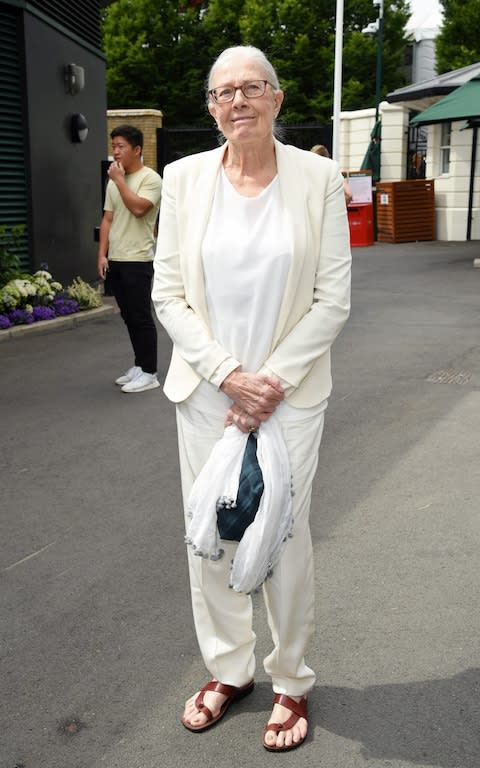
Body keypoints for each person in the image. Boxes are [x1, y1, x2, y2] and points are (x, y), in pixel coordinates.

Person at [152, 46, 351, 751]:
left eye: (252, 88)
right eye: (223, 92)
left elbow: (333, 299)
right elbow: (167, 293)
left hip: (289, 398)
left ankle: (291, 679)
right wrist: (228, 373)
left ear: (278, 98)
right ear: (210, 107)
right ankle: (229, 669)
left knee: (283, 537)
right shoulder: (182, 178)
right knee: (210, 534)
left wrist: (269, 383)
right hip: (209, 393)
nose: (238, 101)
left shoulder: (319, 177)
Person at [97, 124, 162, 393]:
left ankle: (150, 372)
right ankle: (139, 364)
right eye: (113, 147)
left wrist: (120, 181)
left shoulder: (151, 179)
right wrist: (101, 254)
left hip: (138, 258)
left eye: (121, 146)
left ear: (137, 149)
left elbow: (138, 209)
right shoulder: (114, 181)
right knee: (128, 316)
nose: (116, 152)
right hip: (117, 258)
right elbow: (107, 218)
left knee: (141, 316)